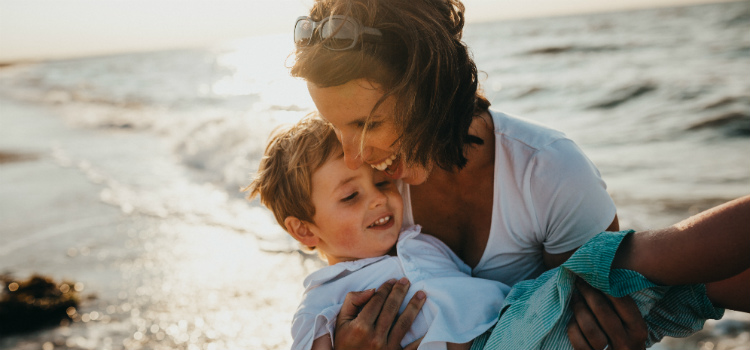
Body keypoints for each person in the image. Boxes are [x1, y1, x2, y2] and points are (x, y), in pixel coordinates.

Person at [289, 0, 636, 349]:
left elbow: (619, 328)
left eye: (368, 124)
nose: (353, 158)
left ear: (430, 89)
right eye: (334, 127)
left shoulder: (549, 173)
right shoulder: (373, 191)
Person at [246, 116, 749, 350]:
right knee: (636, 262)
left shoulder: (417, 238)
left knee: (682, 290)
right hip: (503, 342)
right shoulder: (323, 301)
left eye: (381, 181)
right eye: (350, 197)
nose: (380, 198)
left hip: (523, 316)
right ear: (304, 230)